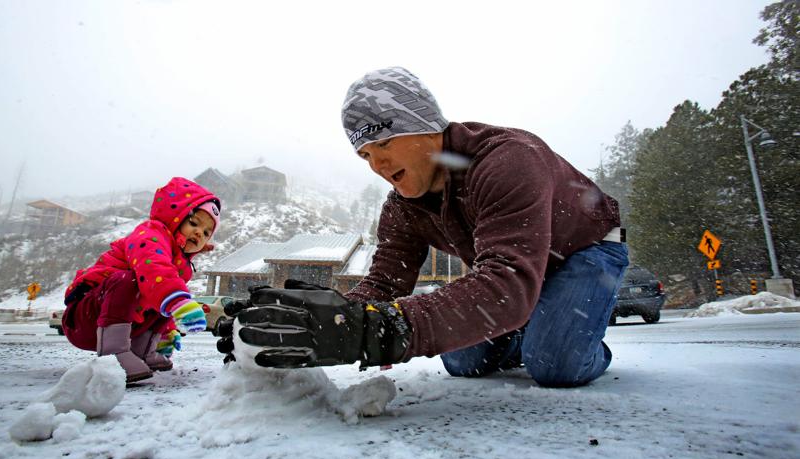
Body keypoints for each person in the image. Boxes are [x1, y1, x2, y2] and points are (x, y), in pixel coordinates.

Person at [218, 67, 628, 388]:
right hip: (517, 274)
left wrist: (386, 330)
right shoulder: (402, 209)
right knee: (463, 361)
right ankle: (532, 326)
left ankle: (574, 341)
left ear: (424, 125)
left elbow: (506, 283)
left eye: (383, 143)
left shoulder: (506, 161)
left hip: (583, 251)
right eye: (363, 155)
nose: (376, 165)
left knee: (554, 364)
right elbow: (383, 285)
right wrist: (330, 315)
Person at [63, 177, 221, 383]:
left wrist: (166, 335)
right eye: (193, 222)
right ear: (174, 217)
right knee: (139, 282)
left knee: (166, 293)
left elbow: (162, 290)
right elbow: (153, 267)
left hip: (128, 325)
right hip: (86, 319)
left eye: (207, 232)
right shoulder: (150, 234)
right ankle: (113, 355)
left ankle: (143, 351)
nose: (199, 233)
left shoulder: (180, 266)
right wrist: (178, 301)